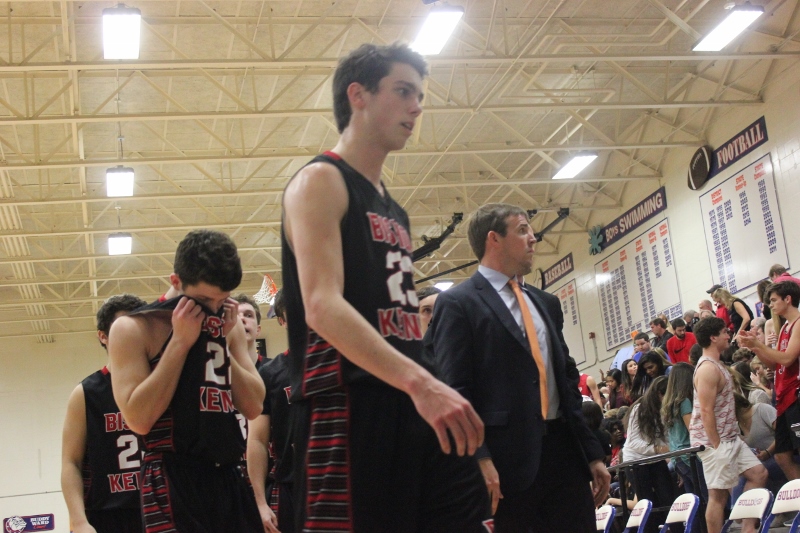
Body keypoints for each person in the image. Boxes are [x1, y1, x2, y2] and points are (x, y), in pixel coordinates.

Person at [280, 42, 490, 532]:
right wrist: (422, 383)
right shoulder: (320, 180)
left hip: (411, 397)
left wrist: (432, 388)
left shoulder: (395, 210)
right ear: (359, 95)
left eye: (419, 95)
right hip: (347, 403)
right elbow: (320, 306)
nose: (416, 107)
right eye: (403, 91)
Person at [430, 203, 609, 533]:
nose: (533, 238)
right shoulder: (458, 303)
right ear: (494, 239)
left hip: (564, 454)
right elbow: (455, 390)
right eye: (523, 230)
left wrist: (593, 454)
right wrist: (479, 458)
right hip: (504, 460)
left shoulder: (546, 303)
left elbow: (567, 382)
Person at [108, 229, 265, 533]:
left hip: (228, 473)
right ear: (176, 281)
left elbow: (254, 405)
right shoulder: (133, 328)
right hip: (171, 476)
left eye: (223, 299)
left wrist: (218, 341)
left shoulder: (226, 322)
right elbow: (138, 419)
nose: (214, 308)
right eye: (205, 299)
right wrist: (179, 343)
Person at [61, 294, 147, 533]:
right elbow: (71, 462)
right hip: (107, 514)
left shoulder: (162, 381)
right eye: (124, 327)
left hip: (161, 505)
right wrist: (78, 521)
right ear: (103, 336)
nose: (133, 334)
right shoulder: (86, 393)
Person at [689, 317, 767, 533]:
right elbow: (706, 411)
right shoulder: (707, 368)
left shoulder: (717, 364)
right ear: (713, 338)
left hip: (730, 437)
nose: (728, 335)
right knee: (718, 496)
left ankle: (747, 529)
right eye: (724, 332)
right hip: (714, 441)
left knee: (759, 474)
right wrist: (717, 445)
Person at [739, 281, 800, 484]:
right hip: (784, 396)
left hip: (795, 394)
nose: (770, 305)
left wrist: (758, 343)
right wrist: (755, 347)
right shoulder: (784, 327)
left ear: (788, 299)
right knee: (782, 456)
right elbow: (775, 364)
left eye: (773, 300)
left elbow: (787, 359)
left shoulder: (798, 323)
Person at [247, 289, 293, 533]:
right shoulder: (270, 373)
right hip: (290, 487)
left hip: (340, 482)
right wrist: (260, 502)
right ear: (282, 321)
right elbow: (257, 440)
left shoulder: (343, 363)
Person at [622, 376, 676, 532]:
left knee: (669, 498)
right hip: (636, 462)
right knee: (647, 504)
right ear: (658, 393)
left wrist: (672, 458)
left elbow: (667, 437)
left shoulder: (665, 409)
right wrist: (658, 449)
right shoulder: (639, 409)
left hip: (656, 460)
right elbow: (634, 442)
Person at [661, 363, 707, 501]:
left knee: (694, 500)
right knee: (706, 496)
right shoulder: (684, 401)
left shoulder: (669, 403)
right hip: (689, 456)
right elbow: (692, 428)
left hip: (677, 457)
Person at [232, 293, 264, 367]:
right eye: (234, 315)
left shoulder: (277, 370)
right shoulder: (213, 370)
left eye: (249, 315)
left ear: (258, 330)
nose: (241, 318)